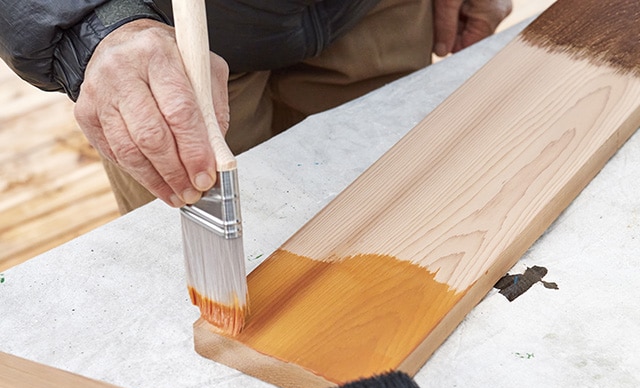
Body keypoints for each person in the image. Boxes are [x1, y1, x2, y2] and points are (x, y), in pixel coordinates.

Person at [0, 0, 511, 214]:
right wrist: (90, 25)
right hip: (169, 40)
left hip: (371, 11)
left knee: (401, 215)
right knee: (202, 291)